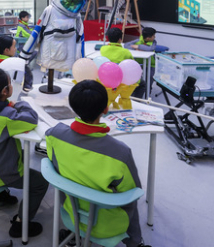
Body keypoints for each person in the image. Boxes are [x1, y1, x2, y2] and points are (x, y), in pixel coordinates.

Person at [46, 80, 149, 247]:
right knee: (131, 202)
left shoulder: (54, 135)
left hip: (72, 213)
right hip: (107, 226)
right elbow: (133, 191)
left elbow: (54, 163)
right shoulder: (120, 153)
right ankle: (135, 243)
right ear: (105, 109)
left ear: (72, 107)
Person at [0, 69, 48, 238]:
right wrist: (19, 104)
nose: (12, 85)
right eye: (10, 83)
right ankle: (20, 224)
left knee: (21, 152)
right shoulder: (7, 115)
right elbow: (32, 119)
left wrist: (10, 105)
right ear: (4, 91)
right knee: (40, 183)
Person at [129, 27, 157, 99]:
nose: (155, 37)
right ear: (148, 38)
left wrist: (138, 47)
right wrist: (138, 48)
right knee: (134, 77)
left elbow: (151, 48)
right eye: (153, 36)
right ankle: (135, 92)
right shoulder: (138, 40)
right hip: (138, 64)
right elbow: (127, 46)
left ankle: (148, 93)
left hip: (150, 64)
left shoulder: (154, 42)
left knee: (149, 77)